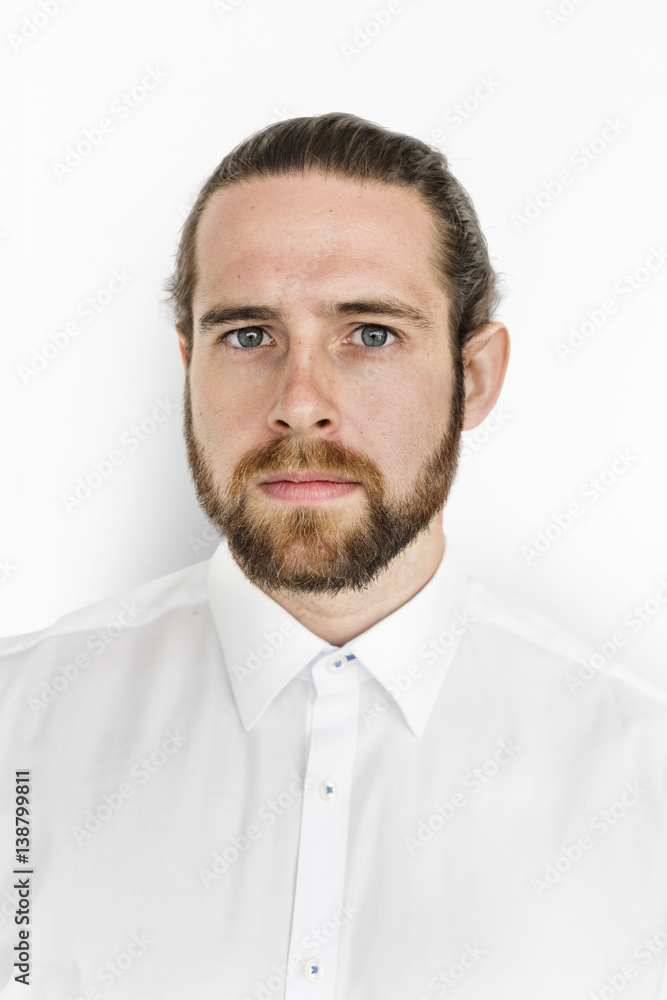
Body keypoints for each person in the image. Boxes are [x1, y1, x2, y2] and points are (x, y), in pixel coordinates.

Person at [1, 112, 666, 1000]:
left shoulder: (641, 779)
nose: (300, 404)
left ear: (472, 379)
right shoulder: (20, 733)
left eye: (370, 334)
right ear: (187, 365)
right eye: (247, 335)